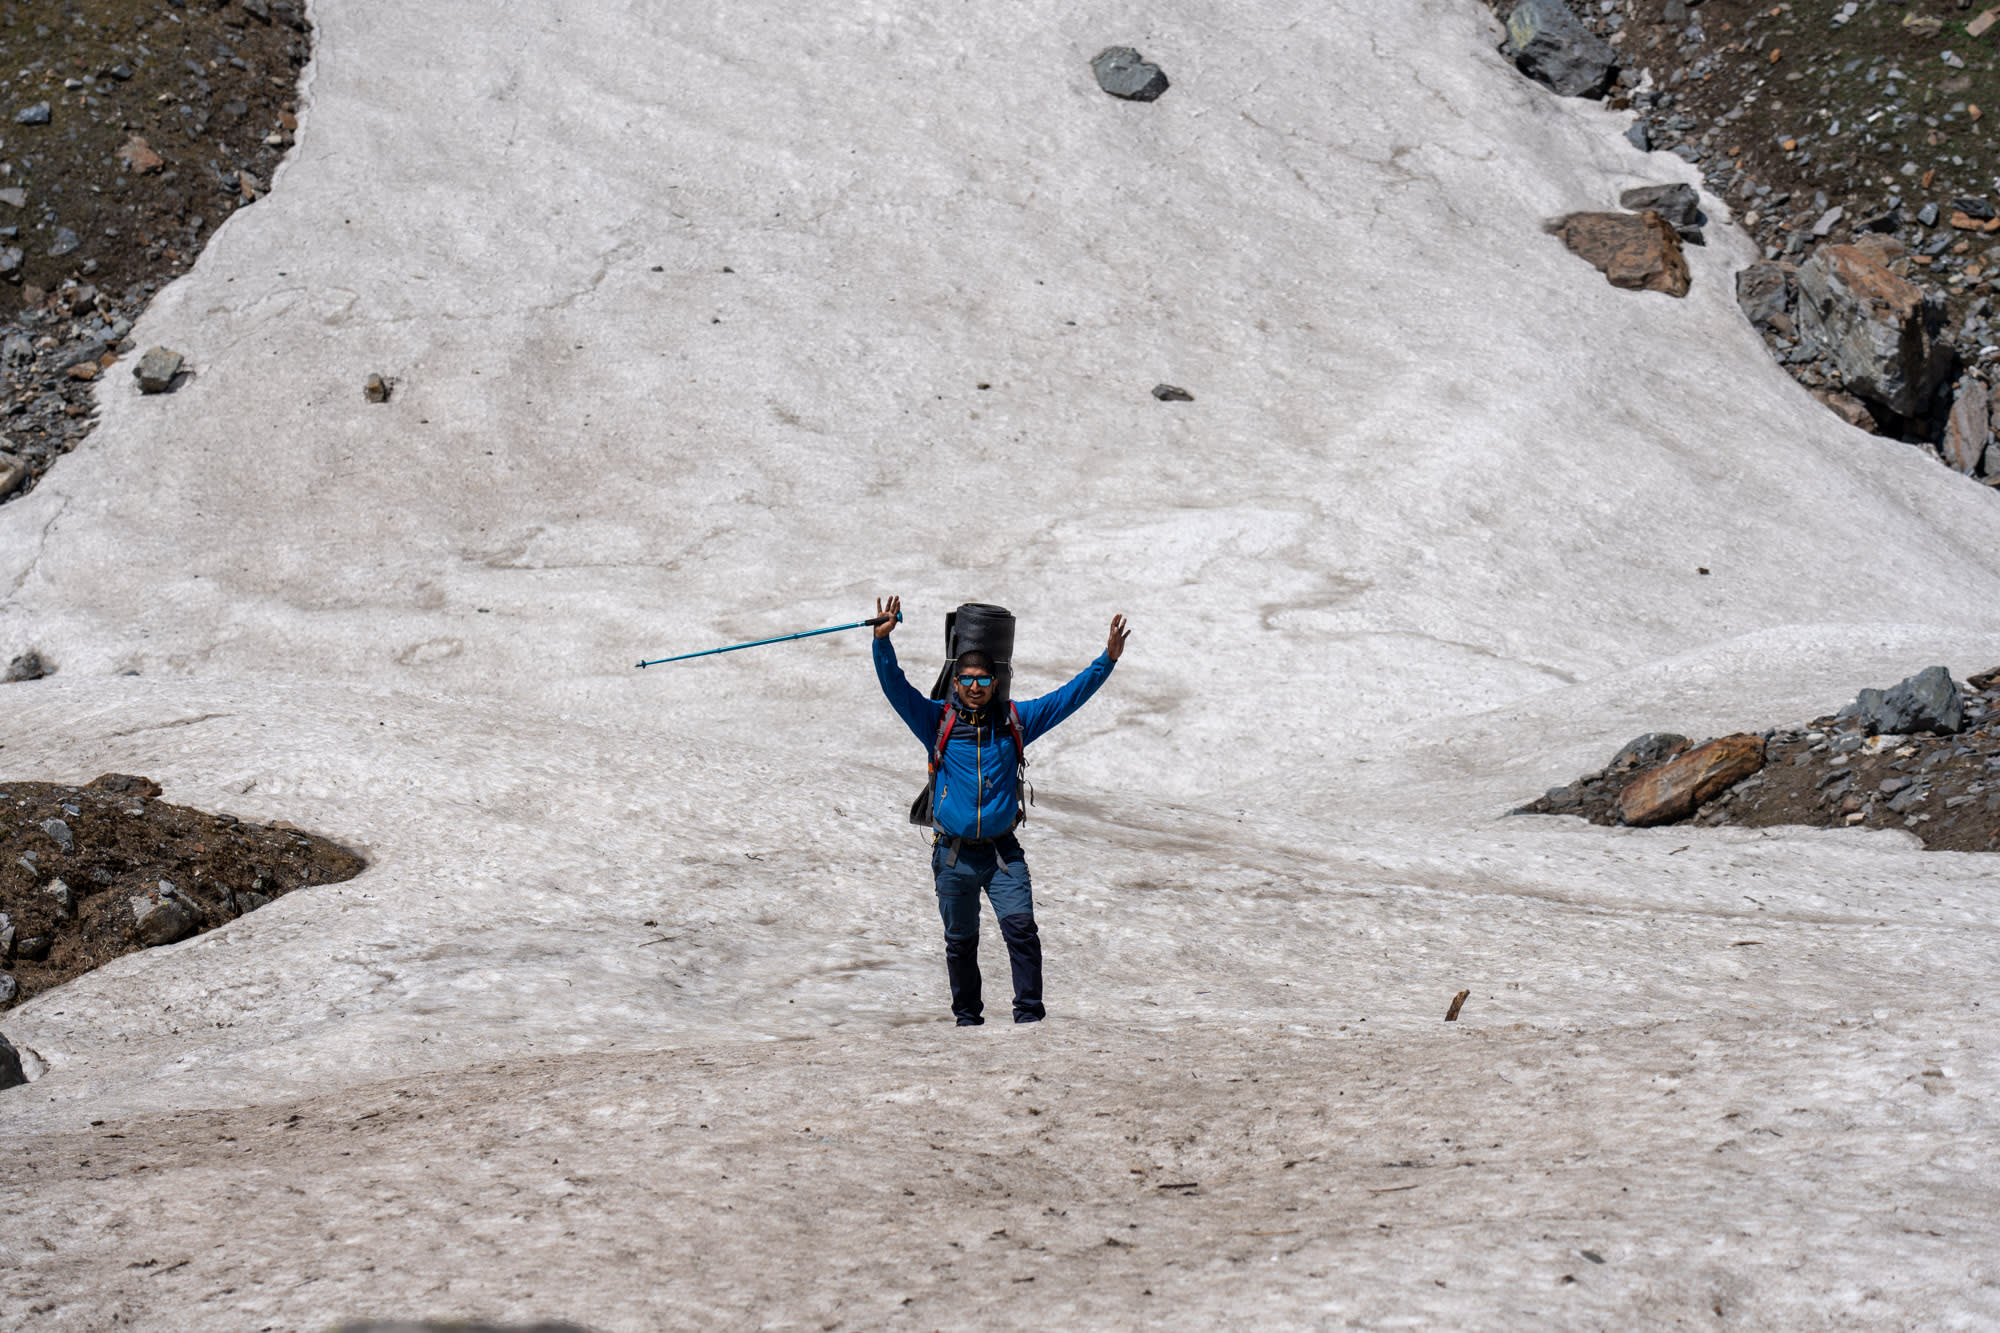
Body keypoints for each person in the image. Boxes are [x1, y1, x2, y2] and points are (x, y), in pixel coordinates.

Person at [870, 595, 1130, 1026]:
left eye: (983, 680)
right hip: (952, 855)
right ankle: (967, 1021)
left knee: (1022, 933)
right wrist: (882, 644)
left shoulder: (1014, 720)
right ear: (955, 681)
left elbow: (1066, 698)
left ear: (995, 682)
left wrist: (1107, 660)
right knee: (960, 942)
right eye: (967, 679)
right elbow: (895, 687)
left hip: (1001, 854)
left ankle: (1030, 1019)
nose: (975, 687)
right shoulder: (935, 721)